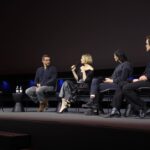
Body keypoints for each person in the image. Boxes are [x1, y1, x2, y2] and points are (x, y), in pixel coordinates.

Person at [83, 50, 133, 116]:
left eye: (115, 56)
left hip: (118, 85)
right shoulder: (120, 65)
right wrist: (109, 79)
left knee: (96, 86)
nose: (114, 58)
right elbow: (114, 76)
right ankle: (93, 102)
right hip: (113, 82)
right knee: (96, 80)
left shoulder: (127, 65)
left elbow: (123, 79)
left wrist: (111, 81)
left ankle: (95, 104)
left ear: (119, 56)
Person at [122, 35, 150, 118]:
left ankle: (143, 107)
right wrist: (139, 78)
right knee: (124, 85)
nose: (145, 45)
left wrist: (147, 77)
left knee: (126, 88)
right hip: (146, 80)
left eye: (147, 43)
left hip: (148, 81)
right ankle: (141, 108)